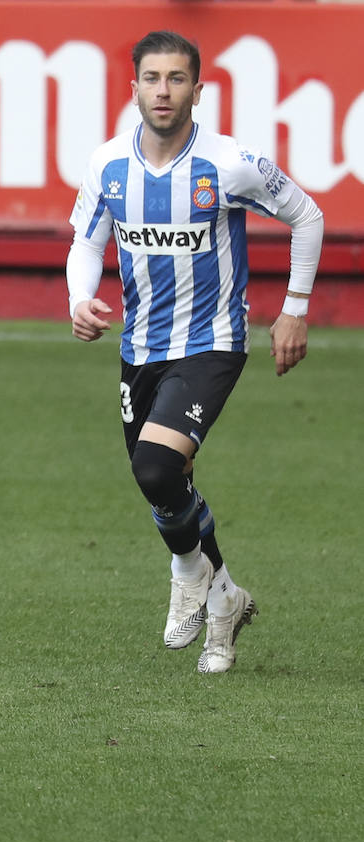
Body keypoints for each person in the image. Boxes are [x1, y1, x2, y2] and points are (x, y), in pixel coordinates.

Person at [67, 30, 323, 674]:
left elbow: (307, 216)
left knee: (156, 468)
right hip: (139, 346)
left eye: (176, 79)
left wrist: (294, 309)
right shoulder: (107, 165)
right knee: (161, 482)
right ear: (134, 89)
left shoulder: (230, 162)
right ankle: (225, 595)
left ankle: (188, 573)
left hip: (213, 341)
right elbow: (87, 242)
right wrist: (79, 296)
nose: (163, 91)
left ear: (197, 89)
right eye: (152, 79)